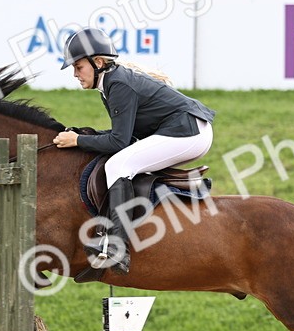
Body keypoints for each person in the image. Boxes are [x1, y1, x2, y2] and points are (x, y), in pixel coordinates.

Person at [52, 27, 216, 274]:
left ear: (97, 62)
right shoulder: (110, 83)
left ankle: (117, 247)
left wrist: (78, 141)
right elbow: (125, 137)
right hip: (187, 129)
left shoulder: (117, 84)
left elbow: (119, 143)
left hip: (188, 133)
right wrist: (87, 135)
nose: (75, 74)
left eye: (78, 67)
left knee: (118, 165)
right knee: (121, 161)